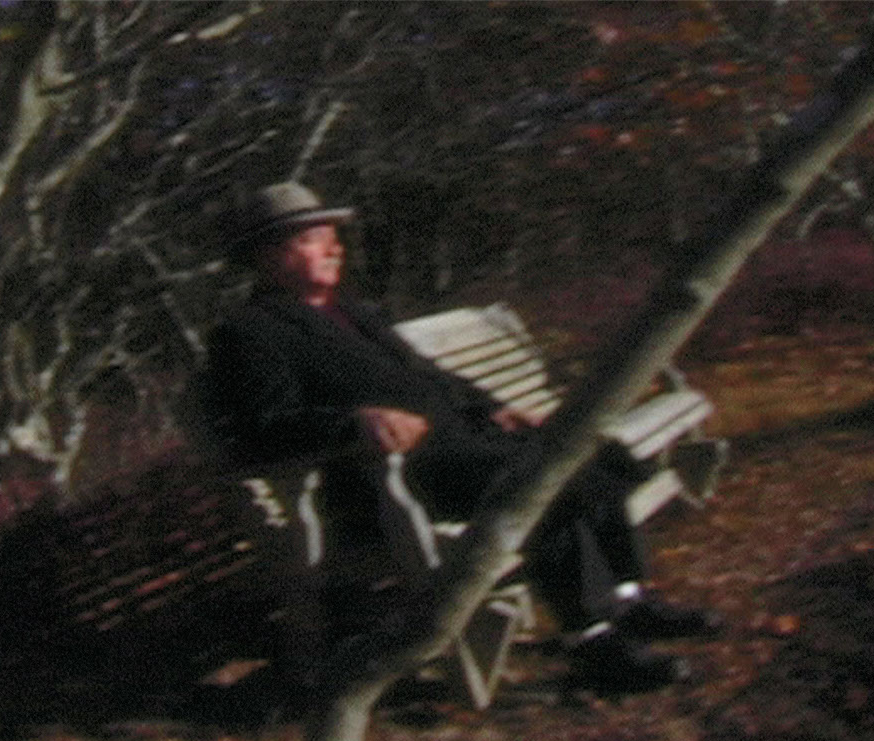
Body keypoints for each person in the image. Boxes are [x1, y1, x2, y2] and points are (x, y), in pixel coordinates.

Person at [202, 182, 720, 690]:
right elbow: (254, 431)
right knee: (541, 483)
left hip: (459, 452)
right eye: (314, 237)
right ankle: (590, 638)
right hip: (384, 482)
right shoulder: (251, 333)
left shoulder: (355, 314)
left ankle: (627, 599)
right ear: (268, 255)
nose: (335, 247)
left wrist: (498, 409)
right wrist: (353, 422)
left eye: (333, 234)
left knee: (597, 456)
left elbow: (429, 378)